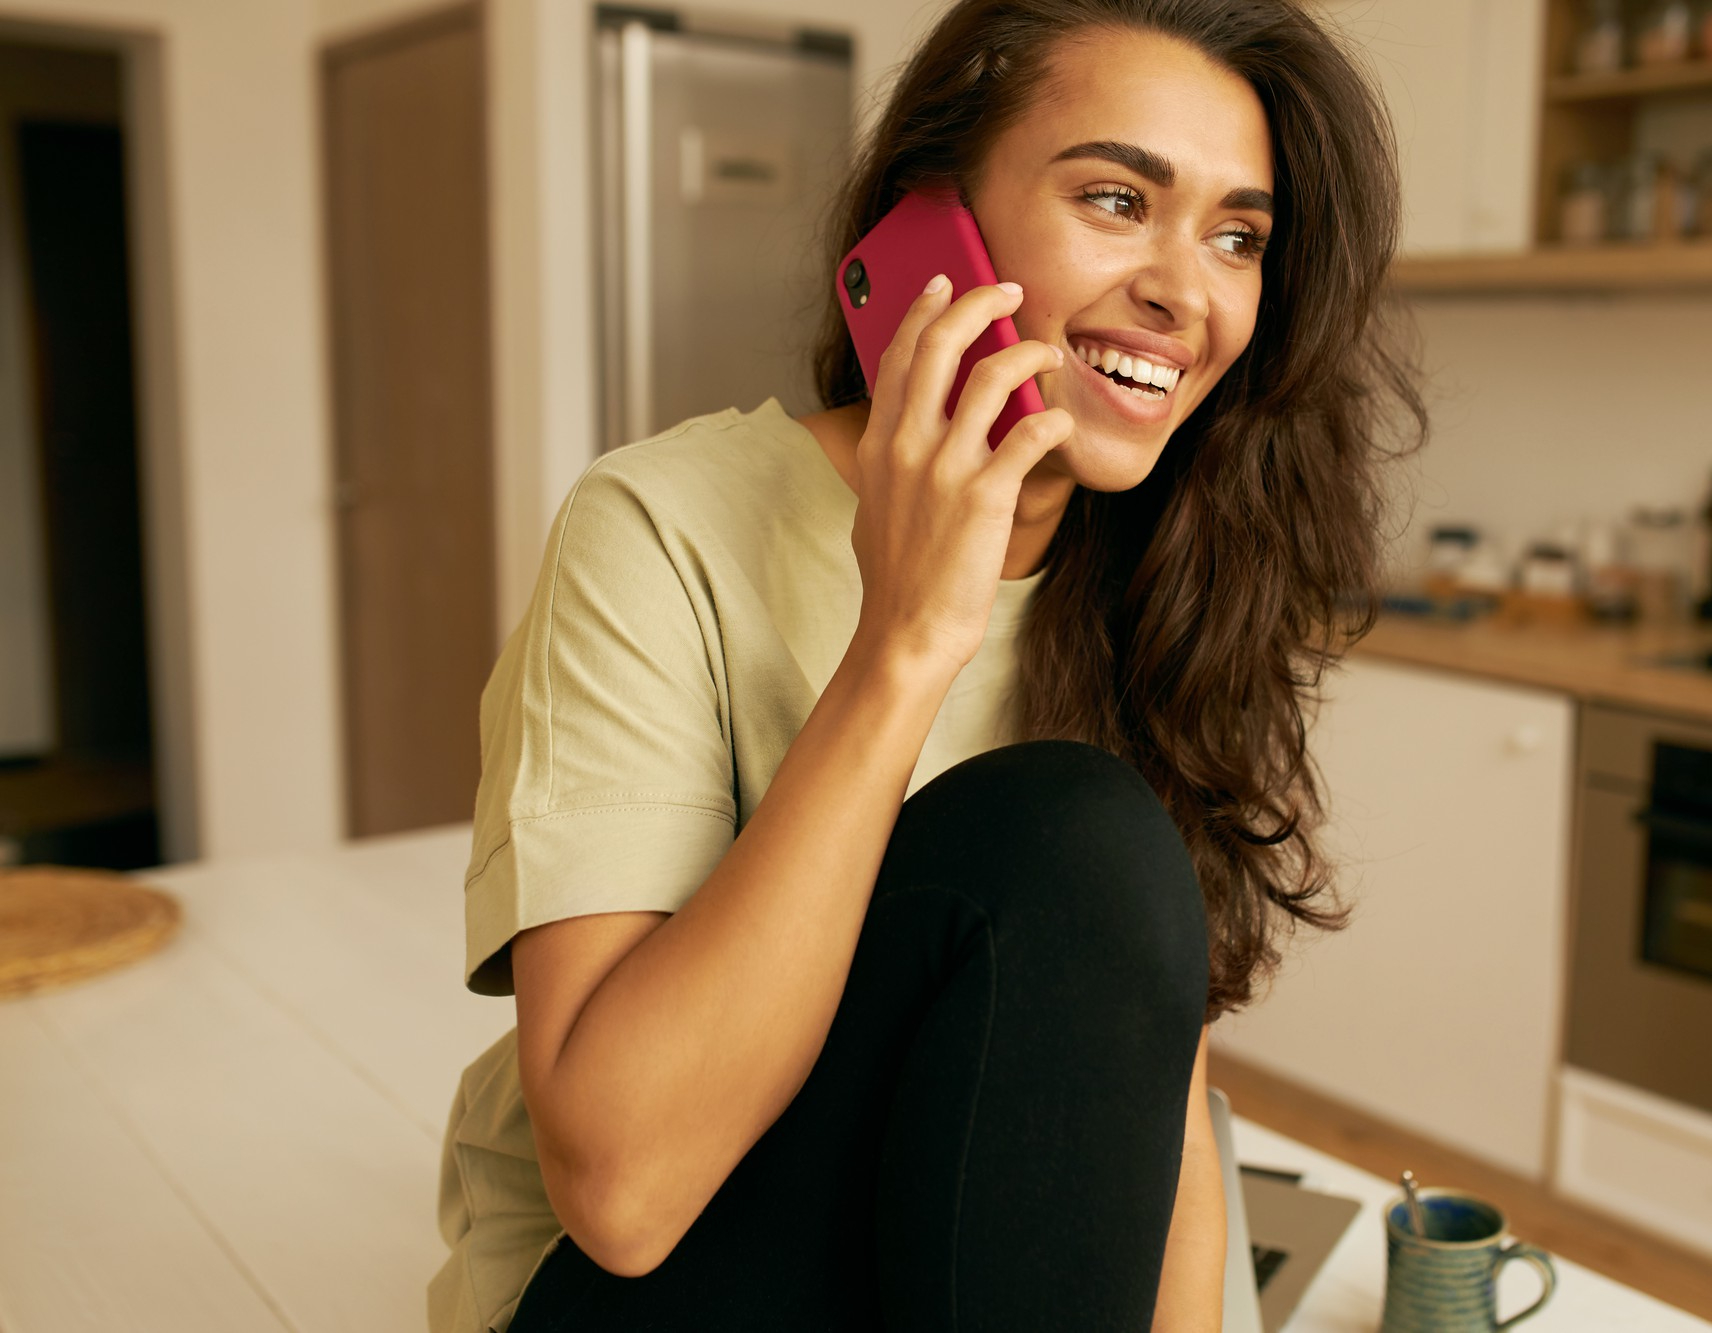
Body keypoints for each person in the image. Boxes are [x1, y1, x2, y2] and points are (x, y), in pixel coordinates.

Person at [427, 0, 1423, 1328]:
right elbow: (620, 1188)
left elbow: (1152, 1086)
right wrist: (905, 640)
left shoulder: (1165, 582)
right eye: (1119, 199)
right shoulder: (658, 527)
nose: (1187, 291)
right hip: (634, 1293)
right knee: (1073, 830)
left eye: (1238, 237)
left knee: (1100, 850)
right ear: (928, 219)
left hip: (926, 1273)